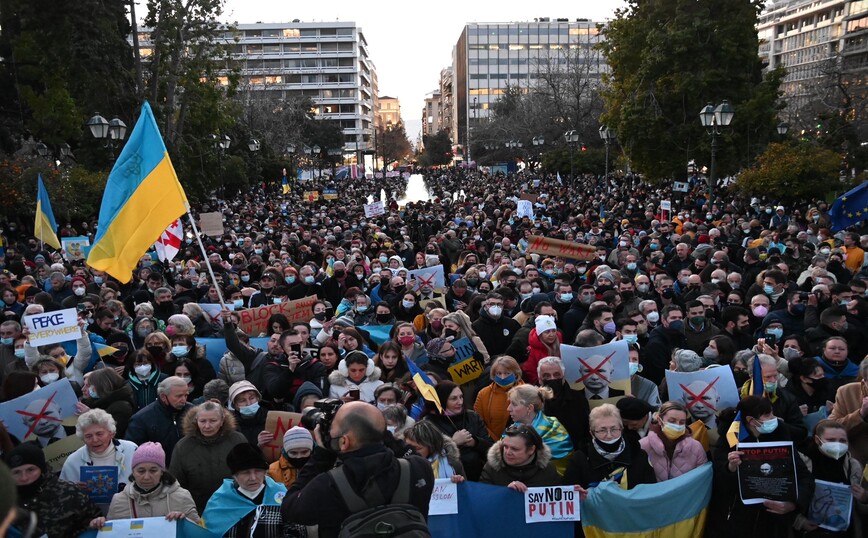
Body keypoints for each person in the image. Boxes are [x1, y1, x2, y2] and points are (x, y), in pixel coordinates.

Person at [280, 401, 435, 538]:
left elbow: (290, 509)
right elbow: (407, 452)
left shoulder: (327, 485)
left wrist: (321, 455)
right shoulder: (418, 469)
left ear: (344, 442)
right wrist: (379, 431)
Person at [714, 396, 814, 538]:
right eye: (767, 415)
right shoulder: (729, 440)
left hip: (773, 524)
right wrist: (730, 468)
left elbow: (804, 478)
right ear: (750, 420)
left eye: (772, 413)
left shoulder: (780, 435)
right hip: (736, 522)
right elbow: (719, 484)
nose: (774, 418)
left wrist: (794, 503)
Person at [4, 442, 102, 537]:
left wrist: (94, 524)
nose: (24, 477)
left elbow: (95, 524)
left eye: (30, 470)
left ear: (42, 469)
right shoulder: (5, 503)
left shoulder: (70, 493)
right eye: (16, 472)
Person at [89, 442, 199, 527]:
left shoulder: (182, 496)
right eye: (141, 471)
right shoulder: (119, 500)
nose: (146, 477)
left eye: (153, 470)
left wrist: (185, 521)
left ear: (162, 471)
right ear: (133, 472)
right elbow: (111, 532)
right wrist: (100, 525)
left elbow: (198, 531)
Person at [203, 443, 301, 538]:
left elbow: (296, 531)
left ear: (265, 472)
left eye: (258, 471)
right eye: (246, 473)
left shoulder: (282, 496)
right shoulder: (219, 501)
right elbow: (206, 533)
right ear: (234, 475)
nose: (253, 478)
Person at [169, 400, 248, 512]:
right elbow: (176, 483)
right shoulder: (183, 446)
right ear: (196, 421)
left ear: (222, 421)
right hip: (197, 509)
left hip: (234, 506)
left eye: (213, 421)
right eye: (203, 421)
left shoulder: (237, 440)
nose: (207, 426)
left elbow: (249, 472)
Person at [794, 419, 868, 535]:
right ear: (817, 440)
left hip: (844, 531)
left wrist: (864, 498)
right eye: (831, 440)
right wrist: (800, 521)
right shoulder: (801, 463)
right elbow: (786, 499)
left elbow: (862, 509)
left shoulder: (854, 466)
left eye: (842, 441)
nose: (838, 445)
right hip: (809, 532)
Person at [562, 403, 656, 490]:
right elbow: (569, 495)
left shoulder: (639, 455)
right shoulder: (580, 459)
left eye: (614, 429)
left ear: (621, 429)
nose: (609, 435)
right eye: (602, 430)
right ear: (592, 433)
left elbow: (650, 491)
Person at [60, 409, 138, 512]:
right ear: (82, 438)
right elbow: (62, 498)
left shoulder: (131, 450)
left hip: (129, 514)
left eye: (99, 434)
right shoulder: (73, 462)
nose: (95, 440)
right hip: (91, 518)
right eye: (88, 436)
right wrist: (75, 491)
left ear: (111, 433)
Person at [421, 380, 493, 481]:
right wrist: (453, 442)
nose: (460, 402)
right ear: (442, 400)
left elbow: (491, 449)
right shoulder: (429, 423)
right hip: (447, 479)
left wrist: (474, 442)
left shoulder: (472, 417)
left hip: (477, 477)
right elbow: (427, 454)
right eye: (454, 398)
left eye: (461, 397)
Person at [506, 384, 574, 473]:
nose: (508, 409)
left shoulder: (554, 430)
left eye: (514, 404)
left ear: (529, 408)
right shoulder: (513, 428)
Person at [125, 376, 193, 466]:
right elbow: (132, 451)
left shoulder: (193, 412)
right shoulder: (142, 419)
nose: (183, 400)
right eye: (179, 396)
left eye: (186, 395)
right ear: (163, 397)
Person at [639, 401, 708, 482]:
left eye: (682, 422)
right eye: (672, 421)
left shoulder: (696, 447)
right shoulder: (643, 446)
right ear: (660, 420)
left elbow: (702, 479)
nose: (677, 425)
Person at [479, 424, 561, 491]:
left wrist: (573, 493)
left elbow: (560, 499)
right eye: (505, 447)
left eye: (515, 449)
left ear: (531, 449)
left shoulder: (548, 470)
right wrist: (505, 493)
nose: (507, 452)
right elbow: (482, 499)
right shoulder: (492, 468)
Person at [538, 356, 591, 448]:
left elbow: (586, 431)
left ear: (563, 376)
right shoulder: (532, 400)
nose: (552, 378)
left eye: (556, 374)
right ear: (539, 379)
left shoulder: (578, 399)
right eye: (546, 376)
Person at [475, 355, 524, 439]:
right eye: (499, 373)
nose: (502, 377)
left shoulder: (526, 392)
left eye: (507, 373)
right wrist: (495, 441)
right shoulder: (483, 394)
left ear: (515, 374)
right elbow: (478, 421)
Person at [80, 367, 137, 438]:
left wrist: (91, 415)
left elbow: (111, 434)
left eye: (90, 386)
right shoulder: (96, 402)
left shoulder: (122, 407)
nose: (84, 389)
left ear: (103, 386)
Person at [228, 380, 271, 448]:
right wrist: (257, 445)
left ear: (258, 398)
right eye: (242, 400)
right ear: (235, 405)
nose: (248, 403)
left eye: (252, 398)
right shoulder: (231, 427)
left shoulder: (271, 418)